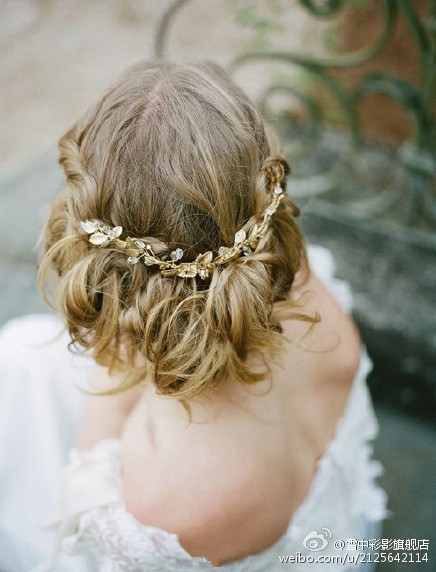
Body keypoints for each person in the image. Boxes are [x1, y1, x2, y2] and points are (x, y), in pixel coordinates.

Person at [0, 60, 388, 571]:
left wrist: (121, 346)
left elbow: (86, 495)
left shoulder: (163, 506)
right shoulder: (305, 286)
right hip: (333, 538)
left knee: (19, 360)